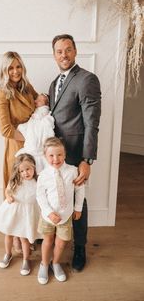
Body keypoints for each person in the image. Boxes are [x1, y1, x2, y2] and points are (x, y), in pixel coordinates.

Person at [48, 34, 101, 272]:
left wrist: (86, 159)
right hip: (54, 156)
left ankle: (80, 247)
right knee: (54, 197)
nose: (64, 55)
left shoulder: (87, 79)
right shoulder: (54, 83)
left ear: (76, 51)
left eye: (68, 50)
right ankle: (54, 238)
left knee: (79, 201)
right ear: (54, 55)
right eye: (59, 51)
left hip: (76, 154)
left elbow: (92, 123)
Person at [0, 51, 38, 252]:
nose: (15, 71)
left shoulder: (27, 87)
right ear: (5, 70)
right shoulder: (2, 93)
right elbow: (5, 129)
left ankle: (30, 232)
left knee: (31, 190)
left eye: (18, 66)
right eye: (11, 68)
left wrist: (44, 100)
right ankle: (13, 237)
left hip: (34, 147)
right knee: (15, 191)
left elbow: (39, 104)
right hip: (17, 147)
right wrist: (29, 135)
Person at [36, 137, 85, 285]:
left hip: (65, 216)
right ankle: (44, 264)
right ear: (46, 156)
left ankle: (55, 263)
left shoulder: (72, 171)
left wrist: (78, 208)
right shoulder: (43, 175)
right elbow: (40, 195)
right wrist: (49, 212)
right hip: (48, 217)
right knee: (48, 240)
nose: (55, 159)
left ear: (65, 154)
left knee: (61, 243)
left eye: (59, 154)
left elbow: (80, 190)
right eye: (51, 155)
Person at [0, 153, 40, 276]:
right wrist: (8, 197)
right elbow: (7, 191)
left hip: (27, 214)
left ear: (34, 167)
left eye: (28, 169)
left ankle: (26, 259)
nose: (25, 173)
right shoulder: (16, 181)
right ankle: (8, 254)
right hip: (13, 212)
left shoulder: (37, 182)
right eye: (22, 171)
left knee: (24, 238)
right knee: (9, 234)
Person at [15, 93, 55, 173]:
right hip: (33, 130)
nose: (35, 101)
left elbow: (42, 121)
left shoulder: (44, 110)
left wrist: (36, 118)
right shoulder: (36, 111)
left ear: (46, 104)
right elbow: (32, 124)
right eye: (36, 99)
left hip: (37, 139)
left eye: (39, 100)